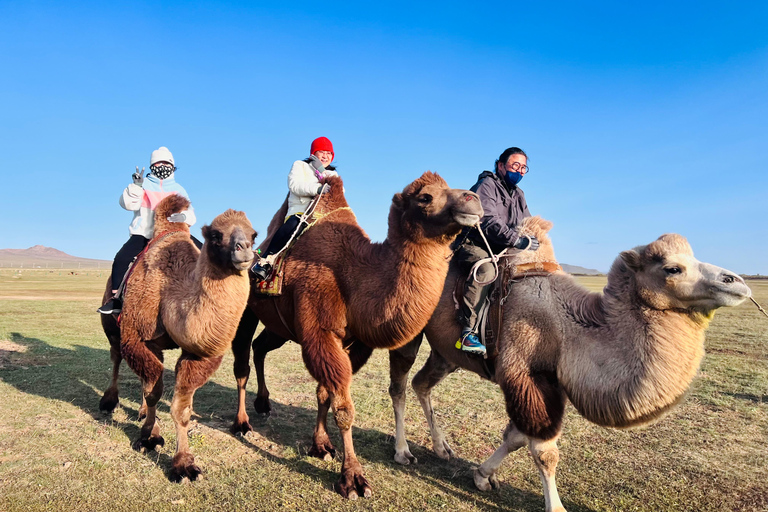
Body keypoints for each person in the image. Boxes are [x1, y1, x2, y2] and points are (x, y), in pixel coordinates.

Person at [454, 147, 540, 355]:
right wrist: (516, 240)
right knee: (487, 272)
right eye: (515, 165)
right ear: (501, 165)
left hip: (500, 248)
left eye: (523, 168)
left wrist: (535, 239)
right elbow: (489, 221)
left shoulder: (519, 194)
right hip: (474, 245)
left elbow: (527, 222)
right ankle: (467, 333)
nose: (519, 171)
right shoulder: (487, 185)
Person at [98, 146, 199, 314]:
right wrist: (136, 187)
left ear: (172, 166)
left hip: (174, 234)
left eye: (166, 163)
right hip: (144, 233)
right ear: (152, 165)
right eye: (158, 163)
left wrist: (184, 217)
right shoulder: (142, 185)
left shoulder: (179, 189)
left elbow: (191, 213)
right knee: (122, 259)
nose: (162, 166)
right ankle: (115, 300)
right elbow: (129, 205)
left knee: (204, 253)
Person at [251, 136, 338, 280]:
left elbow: (340, 191)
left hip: (322, 216)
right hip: (301, 212)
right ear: (313, 153)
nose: (325, 155)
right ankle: (265, 261)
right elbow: (294, 185)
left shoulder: (332, 174)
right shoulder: (300, 165)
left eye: (329, 153)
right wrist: (318, 189)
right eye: (322, 151)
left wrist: (322, 171)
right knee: (293, 225)